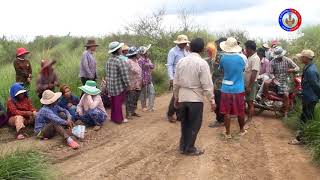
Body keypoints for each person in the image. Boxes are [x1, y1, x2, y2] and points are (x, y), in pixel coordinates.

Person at [173, 38, 215, 156]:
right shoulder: (202, 63)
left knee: (184, 123)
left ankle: (183, 146)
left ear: (189, 48)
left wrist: (176, 97)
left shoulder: (181, 62)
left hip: (183, 97)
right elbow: (207, 84)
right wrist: (211, 100)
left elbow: (176, 82)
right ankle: (189, 148)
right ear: (202, 50)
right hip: (195, 99)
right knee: (194, 123)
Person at [219, 37, 247, 139]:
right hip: (238, 89)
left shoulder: (223, 58)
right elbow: (244, 69)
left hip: (226, 88)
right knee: (241, 111)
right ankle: (241, 130)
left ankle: (227, 133)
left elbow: (221, 71)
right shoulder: (243, 58)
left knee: (226, 112)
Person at [290, 50, 319, 145]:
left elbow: (315, 85)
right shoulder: (309, 67)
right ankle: (304, 136)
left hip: (310, 98)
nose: (301, 58)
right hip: (308, 96)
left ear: (306, 58)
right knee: (305, 117)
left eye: (302, 57)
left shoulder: (311, 71)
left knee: (306, 118)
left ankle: (301, 139)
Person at [263, 47, 300, 118]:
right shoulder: (273, 62)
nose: (279, 57)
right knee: (266, 83)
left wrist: (292, 70)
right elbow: (270, 72)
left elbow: (297, 68)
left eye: (280, 56)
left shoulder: (287, 60)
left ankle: (285, 112)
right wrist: (273, 78)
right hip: (277, 79)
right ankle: (266, 98)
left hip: (286, 80)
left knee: (286, 95)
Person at [167, 34, 190, 123]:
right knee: (176, 96)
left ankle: (180, 115)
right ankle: (170, 113)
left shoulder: (186, 51)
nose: (184, 44)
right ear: (179, 43)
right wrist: (171, 78)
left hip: (185, 76)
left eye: (185, 43)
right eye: (183, 43)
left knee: (183, 95)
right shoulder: (173, 51)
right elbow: (169, 65)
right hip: (176, 76)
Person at [106, 41, 130, 124]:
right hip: (118, 86)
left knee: (113, 102)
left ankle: (113, 117)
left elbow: (107, 73)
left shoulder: (109, 60)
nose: (121, 49)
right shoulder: (120, 60)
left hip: (111, 85)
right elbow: (125, 75)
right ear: (118, 50)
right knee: (118, 102)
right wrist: (128, 84)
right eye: (120, 48)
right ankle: (119, 119)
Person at [207, 39, 226, 128]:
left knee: (218, 101)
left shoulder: (219, 55)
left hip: (218, 83)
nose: (216, 45)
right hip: (226, 83)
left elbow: (216, 71)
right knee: (224, 102)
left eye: (217, 44)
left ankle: (220, 120)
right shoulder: (229, 55)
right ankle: (224, 118)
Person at [244, 40, 260, 124]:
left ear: (249, 48)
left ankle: (249, 119)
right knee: (247, 101)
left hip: (251, 83)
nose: (245, 50)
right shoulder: (250, 57)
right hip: (247, 83)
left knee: (250, 102)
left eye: (246, 48)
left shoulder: (255, 58)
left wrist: (249, 86)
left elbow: (254, 73)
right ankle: (247, 117)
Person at [126, 46, 142, 119]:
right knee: (130, 99)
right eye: (138, 53)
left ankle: (133, 111)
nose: (139, 54)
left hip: (137, 83)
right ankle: (128, 113)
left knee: (135, 98)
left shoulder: (136, 61)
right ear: (135, 54)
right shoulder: (128, 61)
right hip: (131, 84)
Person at [138, 44, 156, 112]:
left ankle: (150, 107)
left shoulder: (147, 59)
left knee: (152, 92)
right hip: (143, 79)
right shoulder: (140, 60)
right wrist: (149, 64)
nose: (148, 53)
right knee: (143, 94)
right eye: (147, 51)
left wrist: (148, 64)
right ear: (144, 53)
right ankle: (144, 106)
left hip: (148, 79)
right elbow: (139, 71)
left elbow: (152, 66)